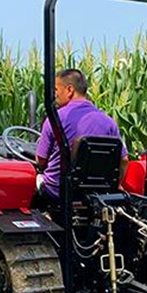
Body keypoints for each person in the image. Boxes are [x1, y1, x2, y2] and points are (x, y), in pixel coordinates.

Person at [35, 69, 129, 200]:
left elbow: (41, 161)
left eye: (56, 89)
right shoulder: (109, 122)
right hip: (95, 195)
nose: (54, 95)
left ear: (69, 90)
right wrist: (116, 185)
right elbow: (124, 160)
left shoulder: (55, 118)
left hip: (57, 192)